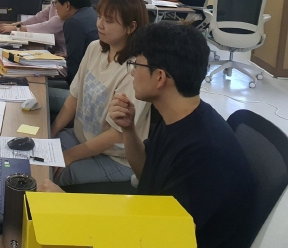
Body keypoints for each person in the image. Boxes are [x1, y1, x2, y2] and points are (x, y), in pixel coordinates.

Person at [108, 23, 254, 247]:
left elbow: (162, 237)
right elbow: (147, 173)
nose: (133, 72)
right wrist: (128, 129)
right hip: (155, 225)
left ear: (159, 77)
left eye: (136, 64)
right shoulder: (177, 116)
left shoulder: (203, 153)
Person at [49, 0, 150, 187]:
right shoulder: (95, 48)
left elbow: (116, 134)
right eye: (99, 16)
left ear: (131, 27)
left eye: (109, 21)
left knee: (50, 174)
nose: (100, 24)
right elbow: (74, 97)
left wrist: (70, 155)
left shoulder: (135, 69)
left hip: (115, 156)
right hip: (81, 137)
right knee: (36, 153)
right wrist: (50, 132)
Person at [49, 0, 98, 112]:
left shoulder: (74, 23)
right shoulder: (91, 13)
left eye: (56, 2)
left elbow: (73, 69)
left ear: (67, 5)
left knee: (37, 92)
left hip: (85, 97)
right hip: (93, 87)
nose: (55, 7)